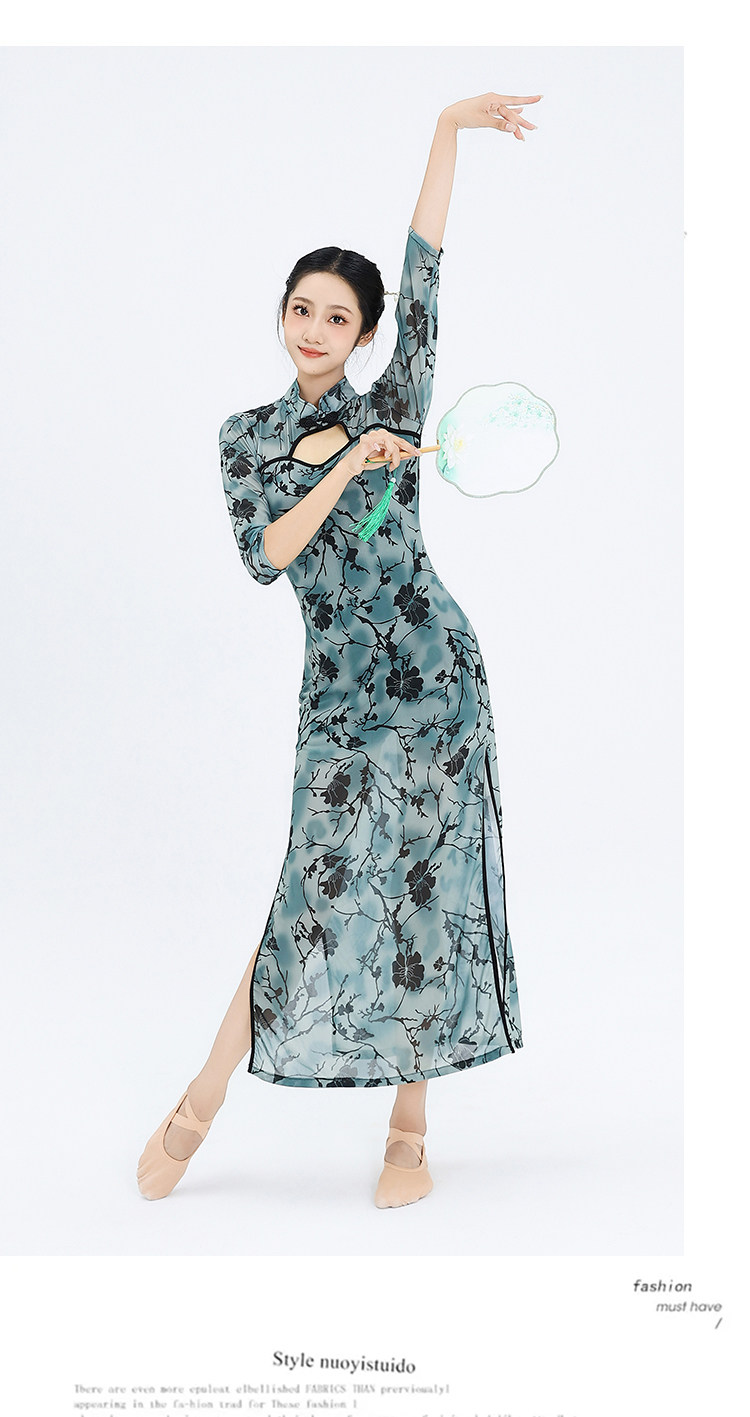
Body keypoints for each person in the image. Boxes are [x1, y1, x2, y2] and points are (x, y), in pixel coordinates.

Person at [137, 90, 541, 1209]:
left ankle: (409, 1130)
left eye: (337, 317)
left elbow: (425, 275)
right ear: (284, 315)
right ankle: (201, 1099)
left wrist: (446, 131)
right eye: (301, 309)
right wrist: (348, 464)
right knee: (304, 898)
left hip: (440, 677)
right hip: (342, 698)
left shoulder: (396, 402)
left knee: (427, 892)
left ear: (363, 335)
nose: (314, 329)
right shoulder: (249, 439)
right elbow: (266, 555)